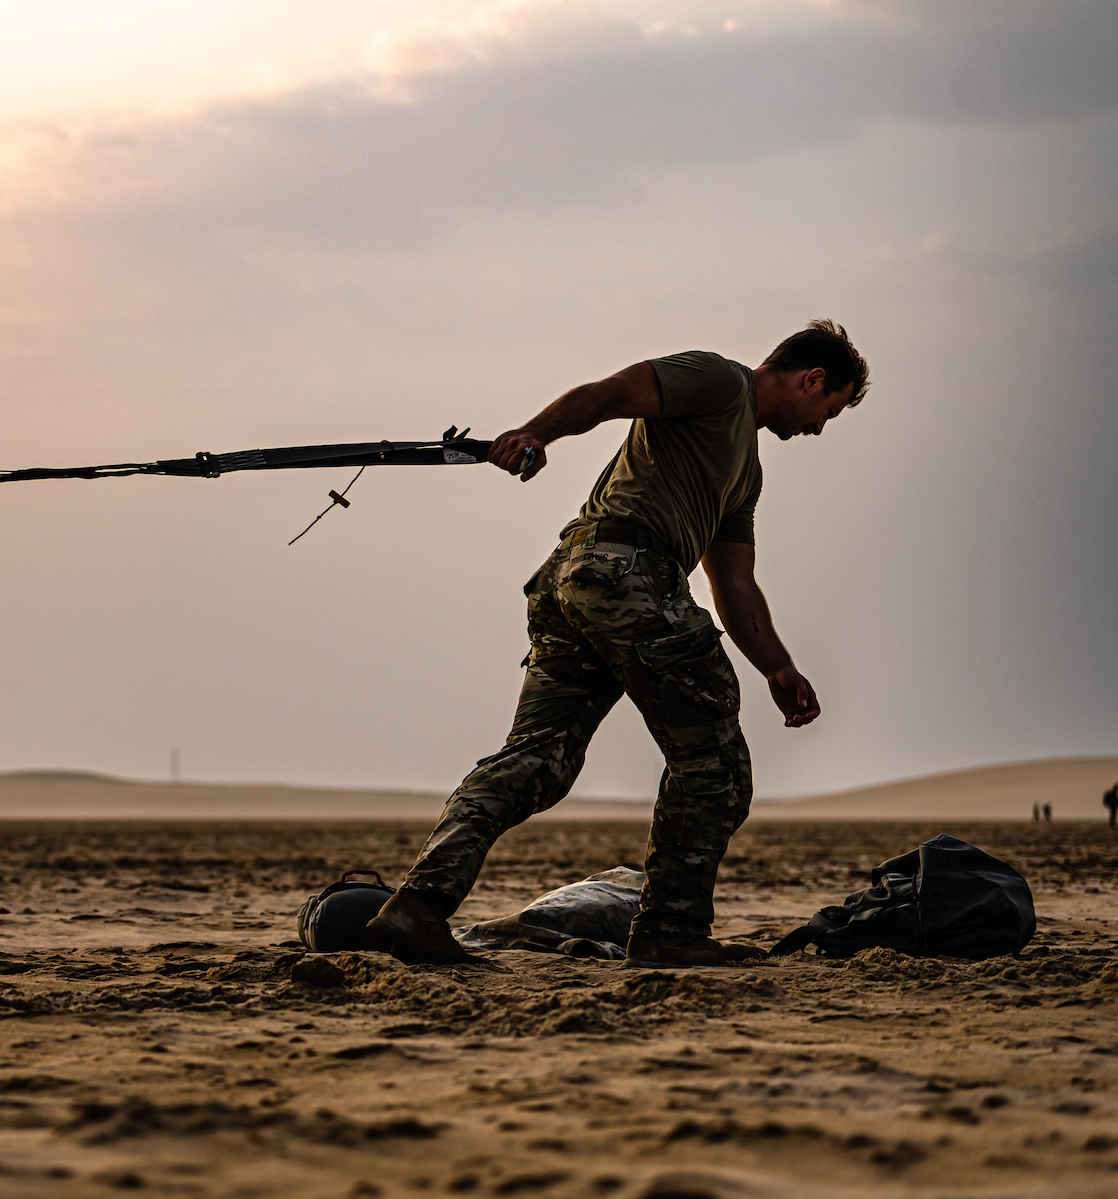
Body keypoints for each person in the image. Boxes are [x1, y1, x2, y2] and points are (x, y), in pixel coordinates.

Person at [366, 321, 868, 970]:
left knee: (537, 760)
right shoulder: (719, 381)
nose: (819, 428)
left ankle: (418, 906)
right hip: (628, 570)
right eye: (826, 411)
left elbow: (734, 580)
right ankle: (670, 931)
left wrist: (777, 664)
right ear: (813, 379)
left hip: (573, 581)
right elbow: (612, 392)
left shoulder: (745, 473)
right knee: (715, 762)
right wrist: (535, 433)